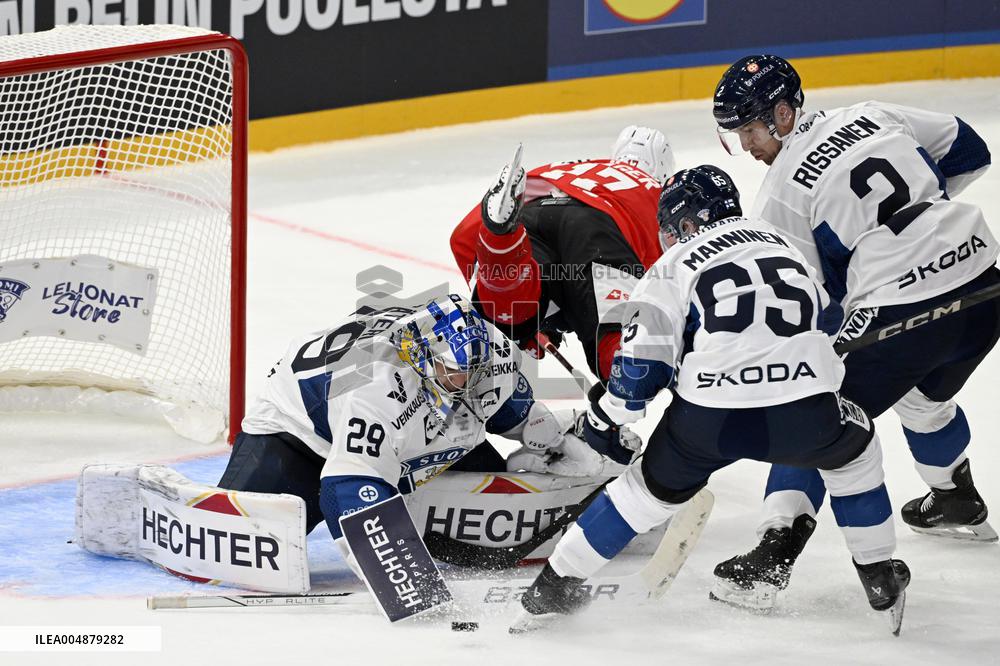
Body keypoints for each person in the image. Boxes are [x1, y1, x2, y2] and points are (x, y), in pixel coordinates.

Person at [513, 166, 908, 633]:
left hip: (708, 421)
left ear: (685, 223)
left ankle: (551, 588)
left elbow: (641, 371)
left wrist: (607, 416)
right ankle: (879, 575)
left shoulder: (672, 265)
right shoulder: (783, 244)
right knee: (855, 455)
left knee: (639, 495)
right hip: (805, 408)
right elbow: (832, 319)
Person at [710, 54, 999, 609]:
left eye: (749, 128)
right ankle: (955, 498)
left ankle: (772, 556)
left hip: (905, 313)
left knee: (810, 407)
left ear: (784, 113)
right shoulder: (873, 113)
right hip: (984, 285)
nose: (746, 145)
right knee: (921, 393)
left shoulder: (779, 195)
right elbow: (969, 150)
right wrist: (924, 231)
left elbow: (805, 306)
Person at [217, 294, 612, 580]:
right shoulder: (376, 388)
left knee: (491, 495)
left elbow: (515, 410)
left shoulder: (489, 354)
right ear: (425, 358)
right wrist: (405, 577)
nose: (466, 385)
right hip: (300, 435)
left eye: (474, 372)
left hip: (408, 434)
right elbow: (350, 485)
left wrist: (558, 444)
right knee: (236, 551)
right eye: (454, 375)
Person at [450, 126, 674, 382]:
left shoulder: (573, 166)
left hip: (530, 215)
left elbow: (462, 236)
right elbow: (666, 269)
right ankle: (623, 380)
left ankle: (503, 242)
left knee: (512, 315)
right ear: (663, 170)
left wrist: (545, 317)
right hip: (597, 226)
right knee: (619, 357)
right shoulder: (657, 190)